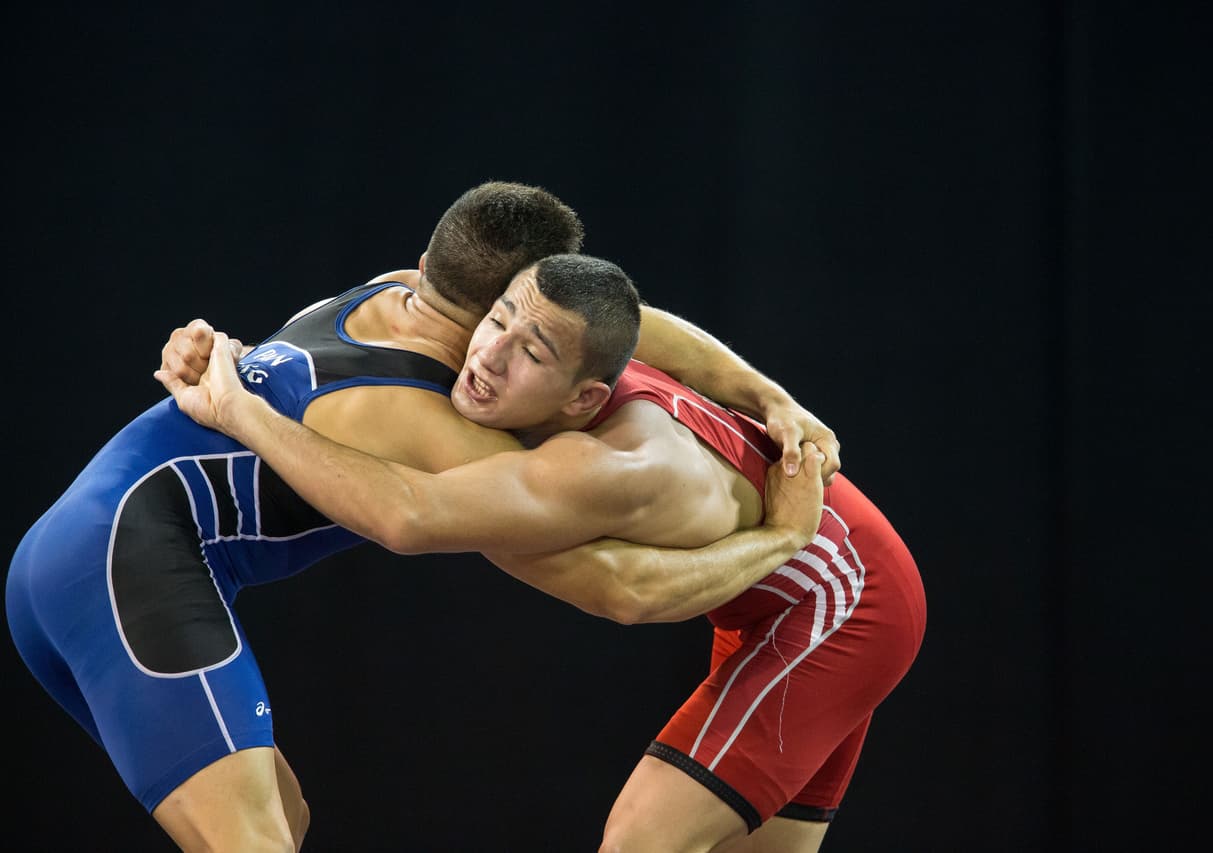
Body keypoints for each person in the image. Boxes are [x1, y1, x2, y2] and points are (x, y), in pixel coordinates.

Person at [6, 182, 830, 853]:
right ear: (499, 302)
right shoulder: (433, 426)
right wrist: (782, 538)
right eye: (513, 320)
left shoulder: (393, 290)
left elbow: (631, 326)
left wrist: (765, 394)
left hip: (61, 556)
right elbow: (610, 583)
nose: (512, 344)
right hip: (125, 565)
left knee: (281, 822)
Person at [160, 252, 927, 853]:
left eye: (529, 351)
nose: (488, 356)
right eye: (494, 321)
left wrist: (242, 410)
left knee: (641, 840)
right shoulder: (544, 333)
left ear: (585, 397)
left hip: (839, 599)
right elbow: (642, 320)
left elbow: (611, 588)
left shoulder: (612, 464)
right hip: (785, 592)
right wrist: (770, 396)